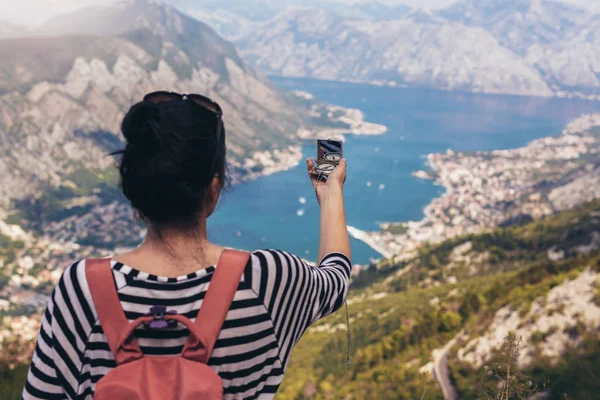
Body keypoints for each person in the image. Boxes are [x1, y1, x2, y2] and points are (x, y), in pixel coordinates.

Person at [22, 91, 352, 399]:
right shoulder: (265, 280)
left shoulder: (81, 288)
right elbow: (336, 277)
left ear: (132, 187)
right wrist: (330, 191)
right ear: (214, 187)